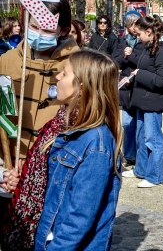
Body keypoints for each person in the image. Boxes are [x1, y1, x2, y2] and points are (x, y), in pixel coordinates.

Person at [2, 49, 121, 250]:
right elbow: (49, 180)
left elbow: (79, 218)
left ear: (82, 88)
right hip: (43, 236)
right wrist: (23, 178)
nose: (57, 76)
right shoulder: (59, 125)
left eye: (64, 74)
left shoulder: (96, 143)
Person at [0, 0, 79, 158]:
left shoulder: (78, 64)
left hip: (53, 159)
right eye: (34, 27)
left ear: (63, 31)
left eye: (48, 31)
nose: (39, 35)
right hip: (12, 160)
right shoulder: (7, 60)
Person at [122, 16, 163, 188]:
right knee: (141, 137)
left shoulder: (162, 51)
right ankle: (141, 169)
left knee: (153, 139)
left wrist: (139, 75)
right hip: (143, 98)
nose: (137, 37)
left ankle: (155, 175)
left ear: (149, 32)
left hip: (153, 100)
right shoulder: (149, 47)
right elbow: (144, 67)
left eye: (139, 34)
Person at [112, 11, 144, 166]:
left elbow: (145, 63)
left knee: (140, 123)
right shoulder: (122, 40)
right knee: (127, 123)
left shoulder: (144, 40)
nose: (134, 27)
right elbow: (115, 62)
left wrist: (132, 56)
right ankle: (130, 154)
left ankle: (140, 154)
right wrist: (125, 57)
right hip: (125, 86)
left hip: (139, 85)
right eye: (131, 24)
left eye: (137, 23)